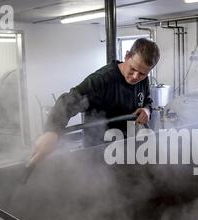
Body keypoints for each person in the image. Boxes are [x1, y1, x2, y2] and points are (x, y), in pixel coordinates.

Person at [28, 38, 160, 166]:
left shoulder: (143, 80)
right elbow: (68, 101)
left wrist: (147, 109)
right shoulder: (101, 80)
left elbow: (147, 100)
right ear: (126, 56)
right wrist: (51, 132)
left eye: (142, 74)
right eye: (133, 69)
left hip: (126, 148)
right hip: (97, 153)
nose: (136, 77)